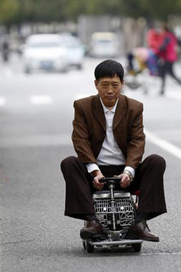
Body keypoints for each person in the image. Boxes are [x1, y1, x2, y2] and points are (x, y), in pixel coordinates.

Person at [61, 59, 167, 241]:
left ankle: (139, 222)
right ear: (96, 85)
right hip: (95, 172)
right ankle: (92, 220)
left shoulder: (134, 107)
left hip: (124, 172)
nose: (110, 90)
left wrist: (129, 172)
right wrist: (94, 171)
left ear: (123, 84)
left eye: (115, 85)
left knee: (157, 161)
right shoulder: (83, 106)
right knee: (69, 163)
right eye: (104, 85)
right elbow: (80, 140)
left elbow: (137, 140)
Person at [156, 24, 181, 95]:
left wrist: (157, 51)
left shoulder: (167, 37)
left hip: (168, 57)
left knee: (169, 73)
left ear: (165, 30)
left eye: (162, 30)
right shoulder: (171, 36)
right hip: (171, 57)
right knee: (166, 73)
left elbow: (163, 47)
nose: (161, 31)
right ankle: (163, 89)